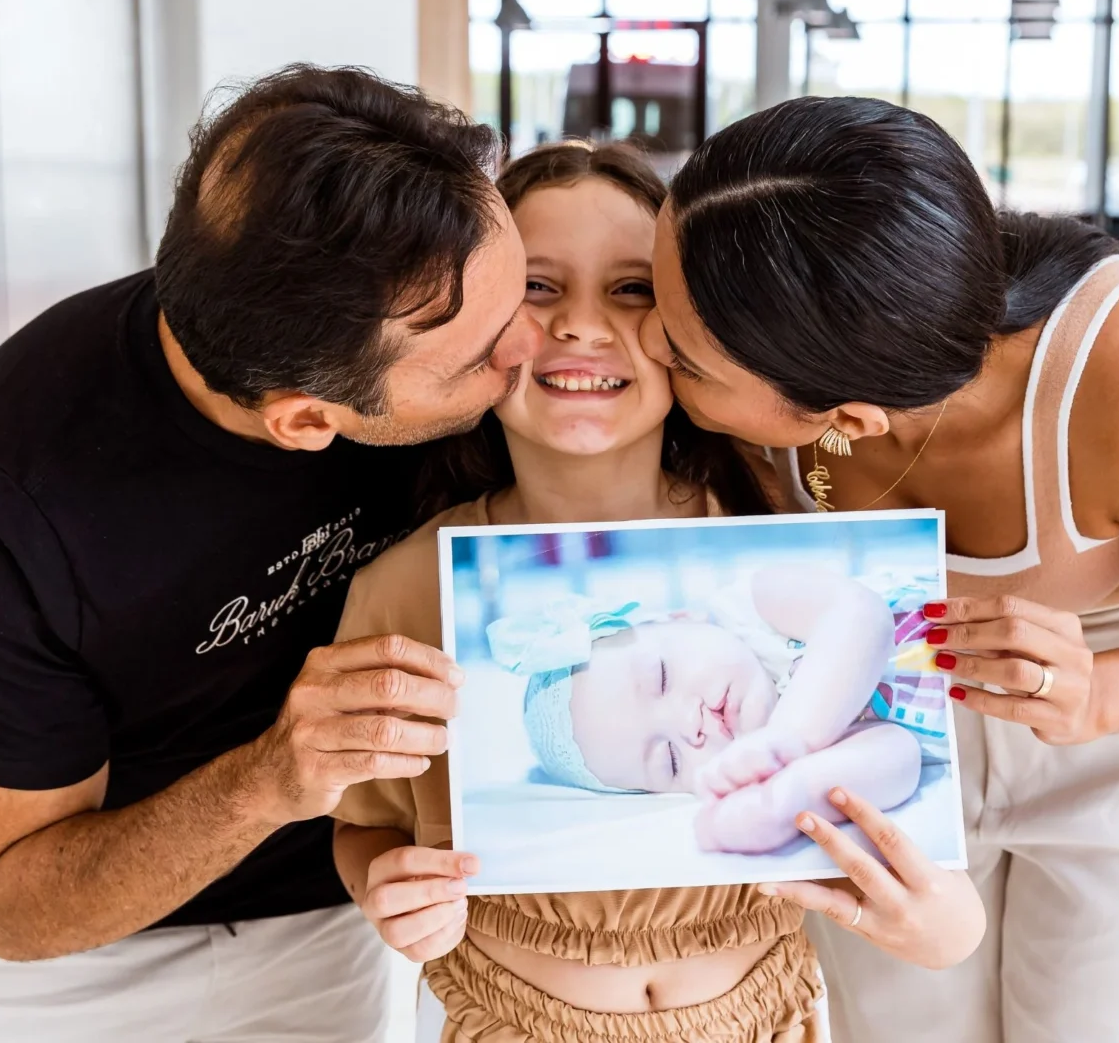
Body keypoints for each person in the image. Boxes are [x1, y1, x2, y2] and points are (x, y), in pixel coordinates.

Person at [642, 94, 1119, 1043]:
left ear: (846, 419)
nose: (649, 348)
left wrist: (1095, 696)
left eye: (683, 358)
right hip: (878, 737)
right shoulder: (782, 342)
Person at [0, 64, 543, 1042]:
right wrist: (272, 776)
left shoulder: (438, 347)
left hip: (325, 910)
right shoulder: (16, 481)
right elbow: (13, 905)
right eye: (484, 352)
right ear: (305, 423)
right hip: (58, 969)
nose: (533, 347)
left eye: (526, 289)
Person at [329, 140, 985, 1043]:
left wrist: (945, 924)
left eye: (632, 290)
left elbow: (922, 852)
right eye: (538, 287)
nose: (582, 328)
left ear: (692, 327)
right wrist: (383, 888)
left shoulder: (772, 544)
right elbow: (363, 824)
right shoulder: (402, 587)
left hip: (759, 1012)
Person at [483, 567, 941, 854]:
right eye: (670, 760)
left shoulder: (753, 605)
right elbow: (901, 757)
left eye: (662, 679)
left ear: (681, 619)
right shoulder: (774, 763)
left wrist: (792, 736)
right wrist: (794, 790)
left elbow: (861, 615)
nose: (689, 725)